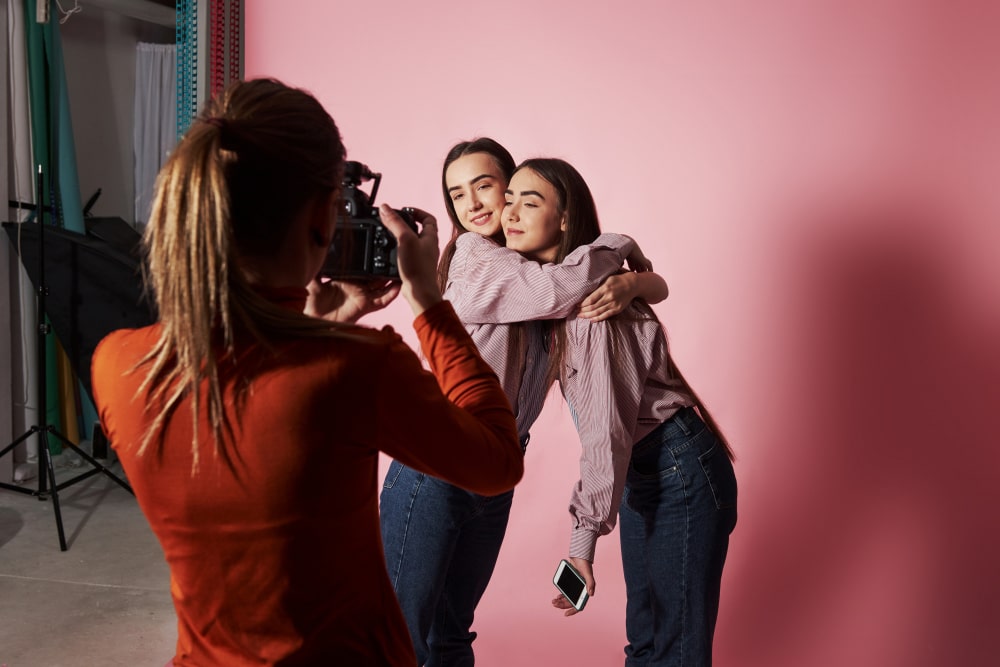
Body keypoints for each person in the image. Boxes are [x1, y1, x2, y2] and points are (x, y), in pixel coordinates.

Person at [90, 79, 525, 667]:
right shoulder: (356, 366)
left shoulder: (117, 363)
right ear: (323, 218)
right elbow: (498, 461)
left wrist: (324, 320)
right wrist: (428, 301)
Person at [379, 138, 668, 666]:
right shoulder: (474, 259)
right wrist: (621, 248)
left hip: (494, 469)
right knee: (405, 637)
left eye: (486, 186)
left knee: (451, 634)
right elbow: (562, 285)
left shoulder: (532, 272)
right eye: (456, 194)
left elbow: (578, 289)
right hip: (435, 463)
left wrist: (639, 282)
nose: (474, 205)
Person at [501, 158, 738, 666]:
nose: (511, 212)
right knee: (648, 642)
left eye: (531, 200)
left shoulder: (590, 310)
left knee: (671, 650)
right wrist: (629, 262)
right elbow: (615, 254)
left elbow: (606, 436)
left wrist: (581, 546)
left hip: (677, 466)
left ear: (564, 219)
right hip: (646, 469)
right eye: (510, 198)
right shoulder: (566, 287)